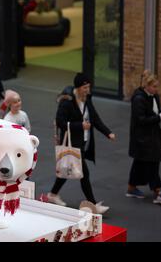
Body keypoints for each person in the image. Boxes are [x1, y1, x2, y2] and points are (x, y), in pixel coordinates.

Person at [47, 73, 116, 214]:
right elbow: (60, 122)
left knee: (67, 169)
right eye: (85, 87)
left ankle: (52, 195)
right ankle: (93, 204)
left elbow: (95, 118)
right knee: (84, 173)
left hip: (82, 141)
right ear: (77, 88)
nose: (87, 90)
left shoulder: (87, 99)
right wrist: (80, 126)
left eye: (88, 87)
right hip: (71, 142)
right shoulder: (67, 101)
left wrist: (107, 132)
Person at [127, 70, 161, 204]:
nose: (156, 89)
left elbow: (156, 112)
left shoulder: (154, 96)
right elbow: (141, 120)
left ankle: (131, 187)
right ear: (146, 86)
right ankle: (158, 189)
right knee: (152, 162)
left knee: (140, 162)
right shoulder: (139, 99)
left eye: (157, 86)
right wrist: (158, 117)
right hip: (142, 138)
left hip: (152, 135)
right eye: (154, 86)